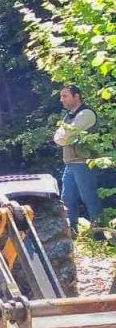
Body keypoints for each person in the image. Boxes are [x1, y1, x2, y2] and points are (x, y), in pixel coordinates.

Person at [53, 83, 102, 230]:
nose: (62, 99)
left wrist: (64, 137)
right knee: (66, 199)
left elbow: (66, 136)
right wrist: (64, 137)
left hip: (84, 162)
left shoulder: (86, 114)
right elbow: (58, 137)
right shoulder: (69, 116)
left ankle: (99, 233)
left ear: (77, 96)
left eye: (65, 96)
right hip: (70, 163)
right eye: (61, 96)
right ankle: (71, 232)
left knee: (89, 198)